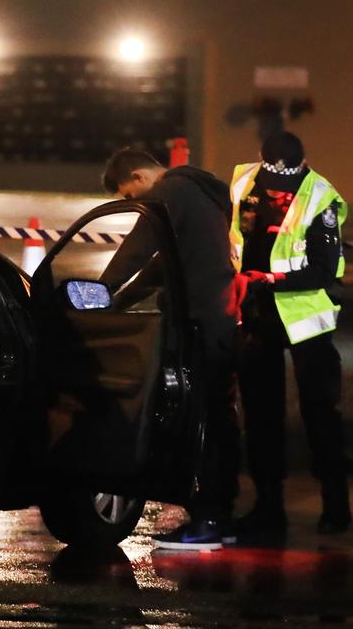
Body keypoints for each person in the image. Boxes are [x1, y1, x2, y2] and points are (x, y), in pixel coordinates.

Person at [99, 148, 241, 551]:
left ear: (141, 177)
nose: (135, 204)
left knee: (203, 422)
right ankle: (221, 516)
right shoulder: (200, 191)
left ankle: (208, 520)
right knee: (218, 418)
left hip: (198, 324)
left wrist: (102, 288)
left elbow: (139, 248)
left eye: (130, 195)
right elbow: (163, 266)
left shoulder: (169, 192)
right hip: (219, 319)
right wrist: (114, 299)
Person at [228, 131, 350, 544]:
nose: (279, 196)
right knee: (261, 417)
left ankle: (336, 506)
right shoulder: (244, 182)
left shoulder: (320, 198)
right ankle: (268, 508)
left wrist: (268, 279)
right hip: (257, 315)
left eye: (286, 190)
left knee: (320, 414)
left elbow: (324, 269)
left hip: (305, 320)